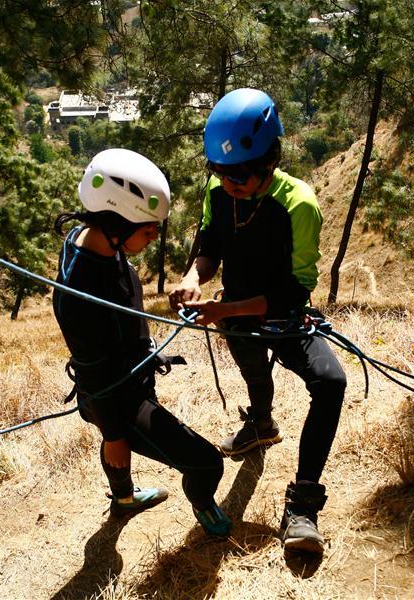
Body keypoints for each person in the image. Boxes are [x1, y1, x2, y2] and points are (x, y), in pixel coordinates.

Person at [169, 89, 346, 554]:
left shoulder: (298, 205)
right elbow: (210, 246)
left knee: (330, 382)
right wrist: (193, 278)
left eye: (241, 173)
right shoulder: (218, 191)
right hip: (236, 315)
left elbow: (295, 289)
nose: (230, 183)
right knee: (252, 371)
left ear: (270, 159)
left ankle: (304, 503)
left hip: (283, 316)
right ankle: (261, 424)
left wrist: (223, 311)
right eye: (221, 172)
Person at [53, 148, 231, 536]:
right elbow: (93, 368)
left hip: (125, 382)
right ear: (115, 220)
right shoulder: (79, 291)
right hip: (115, 399)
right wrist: (115, 435)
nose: (154, 235)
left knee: (122, 444)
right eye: (147, 227)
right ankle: (202, 503)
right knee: (206, 463)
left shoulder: (94, 241)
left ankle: (123, 498)